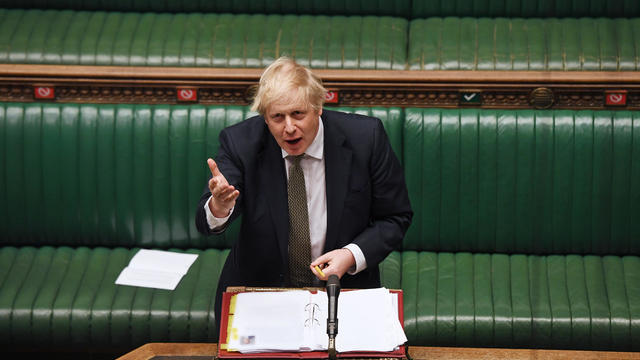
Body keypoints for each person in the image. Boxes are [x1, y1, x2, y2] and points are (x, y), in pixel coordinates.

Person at [195, 57, 412, 335]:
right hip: (262, 292)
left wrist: (350, 255)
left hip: (343, 290)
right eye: (277, 117)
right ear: (265, 118)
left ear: (317, 107)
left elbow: (395, 217)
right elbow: (207, 223)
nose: (288, 128)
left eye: (298, 114)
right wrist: (220, 206)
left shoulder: (366, 138)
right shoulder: (241, 143)